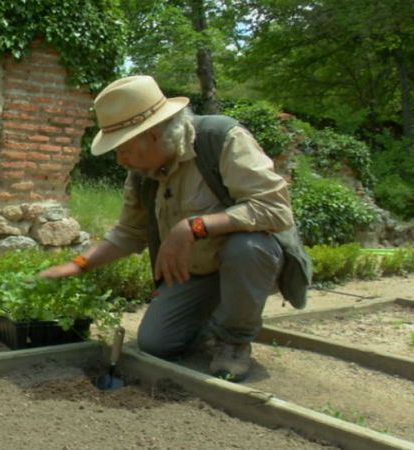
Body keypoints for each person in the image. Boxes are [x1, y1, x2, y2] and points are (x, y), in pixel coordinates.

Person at [38, 75, 295, 381]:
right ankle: (214, 318)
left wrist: (193, 227)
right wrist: (78, 264)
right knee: (155, 344)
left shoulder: (221, 139)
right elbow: (129, 233)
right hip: (196, 272)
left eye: (123, 148)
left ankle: (235, 340)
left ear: (155, 134)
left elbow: (274, 208)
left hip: (244, 261)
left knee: (248, 248)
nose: (120, 159)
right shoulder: (141, 173)